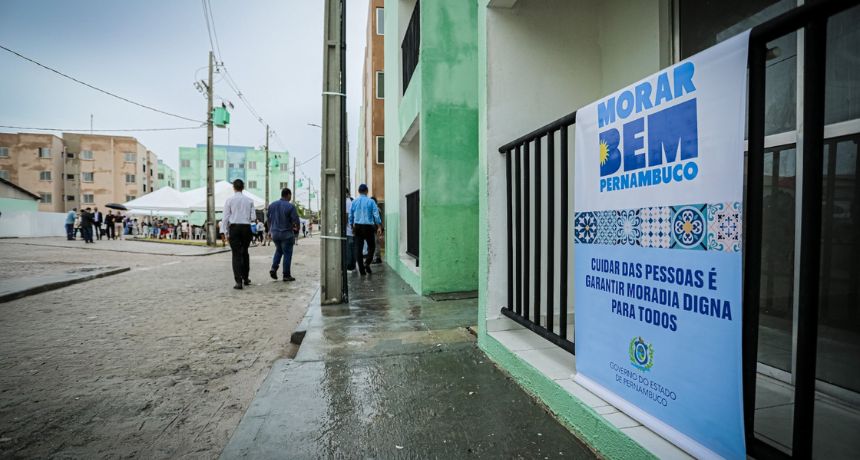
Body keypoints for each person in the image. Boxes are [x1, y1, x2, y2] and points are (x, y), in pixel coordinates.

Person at [222, 179, 256, 289]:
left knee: (236, 254)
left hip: (234, 227)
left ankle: (238, 281)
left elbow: (226, 217)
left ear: (233, 187)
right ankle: (246, 277)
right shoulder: (250, 200)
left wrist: (225, 231)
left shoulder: (229, 200)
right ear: (243, 187)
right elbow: (254, 218)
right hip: (246, 227)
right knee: (245, 252)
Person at [348, 183, 382, 275]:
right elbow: (376, 215)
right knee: (372, 246)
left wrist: (352, 226)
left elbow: (350, 215)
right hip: (368, 227)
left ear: (359, 191)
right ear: (367, 191)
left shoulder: (354, 202)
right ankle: (367, 263)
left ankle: (362, 271)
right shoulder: (371, 202)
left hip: (358, 226)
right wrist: (379, 226)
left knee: (358, 249)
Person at [268, 188, 300, 282]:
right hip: (286, 234)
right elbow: (296, 221)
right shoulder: (290, 206)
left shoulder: (272, 205)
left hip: (275, 234)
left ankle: (274, 268)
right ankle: (286, 275)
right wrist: (296, 229)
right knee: (287, 254)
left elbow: (268, 219)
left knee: (279, 250)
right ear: (288, 195)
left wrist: (271, 230)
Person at [370, 196, 383, 264]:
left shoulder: (376, 209)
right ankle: (377, 258)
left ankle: (377, 258)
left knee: (375, 244)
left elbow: (378, 220)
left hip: (376, 229)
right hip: (376, 229)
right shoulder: (376, 209)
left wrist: (379, 228)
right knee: (375, 244)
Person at [344, 191, 355, 271]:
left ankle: (349, 266)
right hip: (352, 230)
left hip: (348, 230)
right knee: (352, 249)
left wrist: (343, 227)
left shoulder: (347, 202)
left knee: (348, 249)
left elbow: (347, 215)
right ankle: (352, 266)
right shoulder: (351, 201)